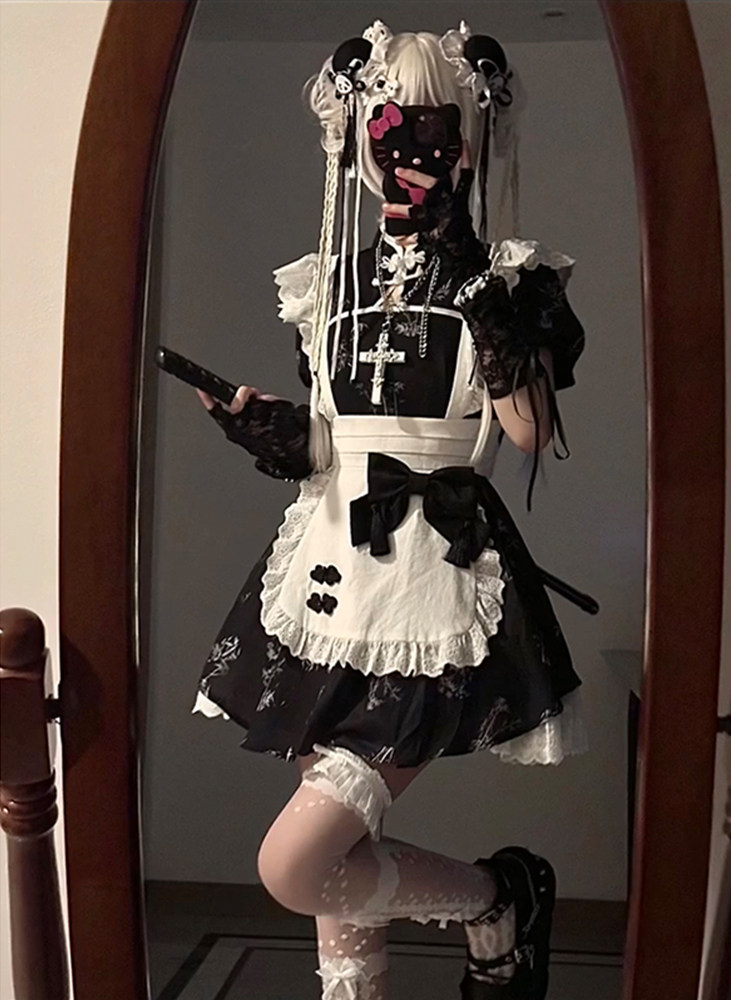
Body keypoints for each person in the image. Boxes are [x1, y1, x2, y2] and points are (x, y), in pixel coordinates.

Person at [191, 20, 587, 1000]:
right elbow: (336, 444)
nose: (405, 155)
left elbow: (527, 430)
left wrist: (476, 280)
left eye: (428, 131)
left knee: (296, 863)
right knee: (333, 849)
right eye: (386, 130)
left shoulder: (508, 278)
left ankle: (496, 898)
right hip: (331, 567)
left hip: (431, 574)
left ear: (465, 142)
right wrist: (269, 434)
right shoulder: (333, 279)